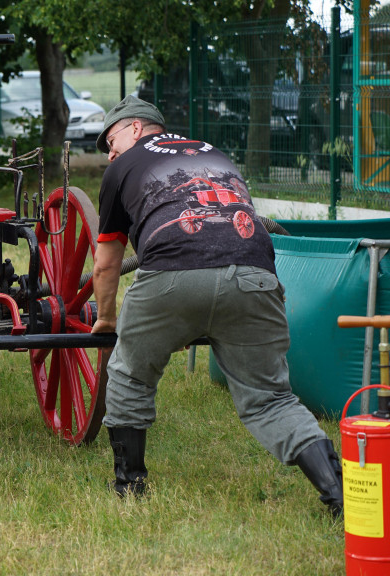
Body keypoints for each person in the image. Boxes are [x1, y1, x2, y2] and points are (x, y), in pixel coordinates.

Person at [89, 95, 343, 515]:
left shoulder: (122, 168)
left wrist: (108, 318)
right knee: (272, 399)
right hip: (256, 276)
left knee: (130, 375)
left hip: (170, 275)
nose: (109, 153)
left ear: (135, 128)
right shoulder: (214, 153)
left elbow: (105, 264)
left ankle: (129, 488)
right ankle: (338, 495)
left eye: (111, 141)